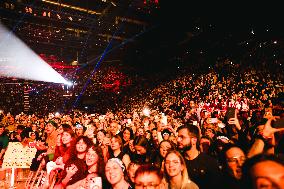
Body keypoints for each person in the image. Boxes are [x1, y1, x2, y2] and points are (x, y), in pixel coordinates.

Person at [177, 124, 221, 189]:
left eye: (182, 137)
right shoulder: (177, 161)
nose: (178, 140)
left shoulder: (210, 162)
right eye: (178, 137)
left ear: (194, 140)